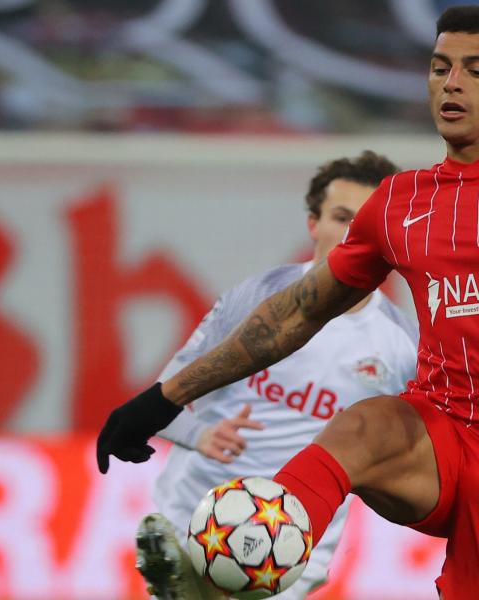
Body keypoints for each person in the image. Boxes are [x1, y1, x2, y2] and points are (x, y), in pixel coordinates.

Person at [97, 6, 479, 599]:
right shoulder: (400, 201)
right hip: (440, 430)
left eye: (476, 69)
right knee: (365, 422)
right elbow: (297, 311)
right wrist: (164, 398)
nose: (452, 83)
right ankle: (246, 563)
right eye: (440, 68)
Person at [134, 151, 418, 599]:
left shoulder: (404, 345)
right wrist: (198, 433)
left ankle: (190, 589)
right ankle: (189, 581)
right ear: (313, 224)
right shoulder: (256, 300)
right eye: (341, 217)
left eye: (365, 223)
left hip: (294, 537)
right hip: (197, 509)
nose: (351, 235)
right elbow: (157, 404)